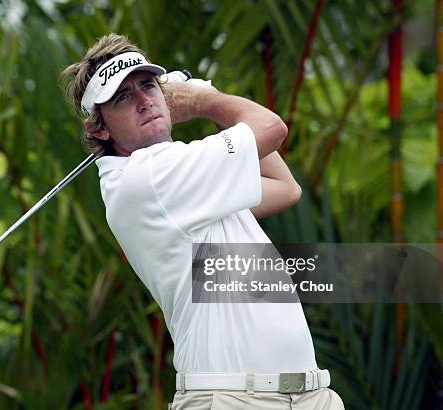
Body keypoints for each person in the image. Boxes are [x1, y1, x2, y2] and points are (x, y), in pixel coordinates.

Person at [61, 33, 345, 410]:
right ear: (99, 128)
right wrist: (203, 100)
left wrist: (209, 106)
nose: (145, 101)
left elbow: (285, 187)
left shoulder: (191, 185)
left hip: (307, 396)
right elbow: (272, 129)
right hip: (233, 398)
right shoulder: (150, 176)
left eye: (148, 86)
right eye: (123, 97)